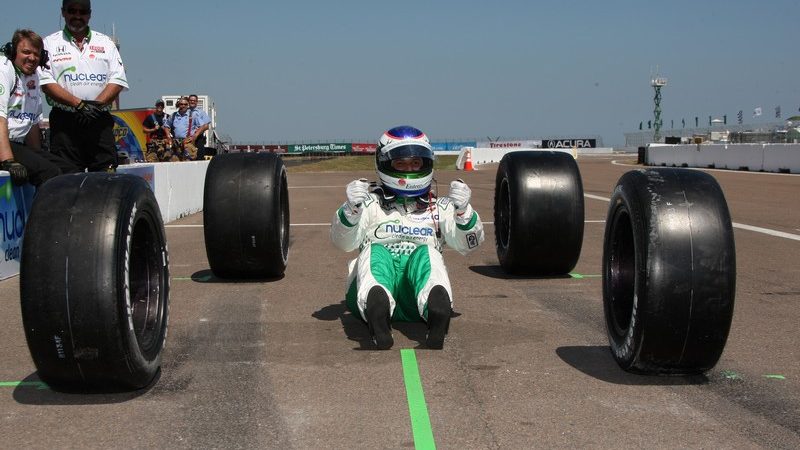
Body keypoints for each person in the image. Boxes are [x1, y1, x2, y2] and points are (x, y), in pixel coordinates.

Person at [330, 125, 484, 350]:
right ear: (384, 164)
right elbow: (343, 243)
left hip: (415, 297)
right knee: (375, 252)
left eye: (415, 163)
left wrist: (463, 212)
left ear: (427, 164)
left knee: (428, 253)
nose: (408, 169)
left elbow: (469, 245)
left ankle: (436, 311)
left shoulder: (438, 207)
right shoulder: (369, 204)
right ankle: (377, 311)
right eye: (400, 163)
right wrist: (350, 210)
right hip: (372, 288)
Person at [39, 0, 129, 172]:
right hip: (65, 122)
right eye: (72, 11)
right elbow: (46, 83)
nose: (77, 16)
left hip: (99, 119)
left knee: (105, 178)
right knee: (68, 182)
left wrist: (94, 107)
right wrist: (78, 104)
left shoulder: (106, 43)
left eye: (83, 12)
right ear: (63, 12)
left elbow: (118, 80)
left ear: (90, 14)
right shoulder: (49, 43)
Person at [0, 29, 74, 187]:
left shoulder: (35, 76)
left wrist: (37, 156)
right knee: (48, 172)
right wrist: (8, 161)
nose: (32, 58)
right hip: (4, 143)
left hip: (18, 143)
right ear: (13, 52)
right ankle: (46, 212)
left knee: (70, 170)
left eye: (36, 54)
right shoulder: (4, 69)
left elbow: (33, 124)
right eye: (26, 52)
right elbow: (0, 120)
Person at [164, 96, 208, 161]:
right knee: (174, 162)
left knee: (188, 162)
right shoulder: (173, 115)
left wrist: (195, 135)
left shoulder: (193, 115)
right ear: (178, 105)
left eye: (185, 104)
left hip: (188, 143)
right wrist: (168, 136)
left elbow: (203, 126)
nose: (183, 106)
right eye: (181, 104)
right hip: (176, 144)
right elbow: (166, 126)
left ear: (188, 105)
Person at [187, 94, 210, 159]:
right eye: (191, 100)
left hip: (198, 138)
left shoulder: (201, 112)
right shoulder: (185, 112)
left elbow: (207, 126)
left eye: (194, 100)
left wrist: (198, 131)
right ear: (188, 101)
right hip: (187, 138)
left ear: (197, 102)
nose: (192, 102)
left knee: (199, 156)